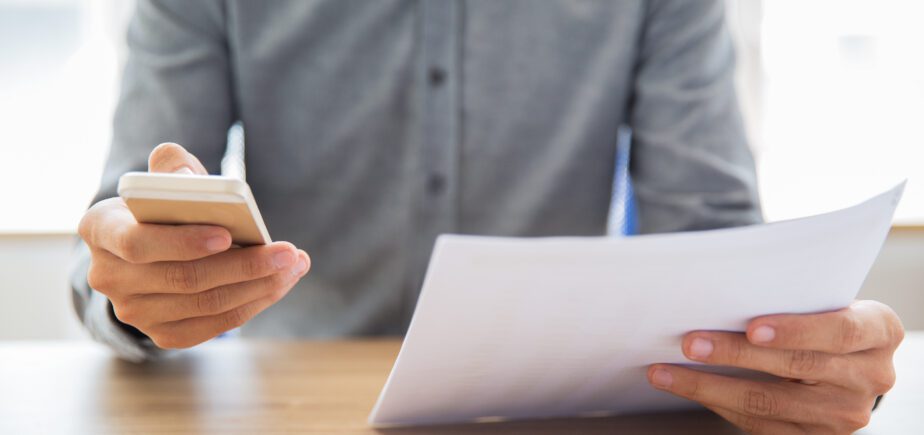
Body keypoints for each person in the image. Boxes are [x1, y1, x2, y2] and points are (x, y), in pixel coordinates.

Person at [71, 1, 902, 433]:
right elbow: (117, 226)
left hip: (557, 419)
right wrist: (135, 290)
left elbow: (712, 237)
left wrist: (787, 358)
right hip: (291, 410)